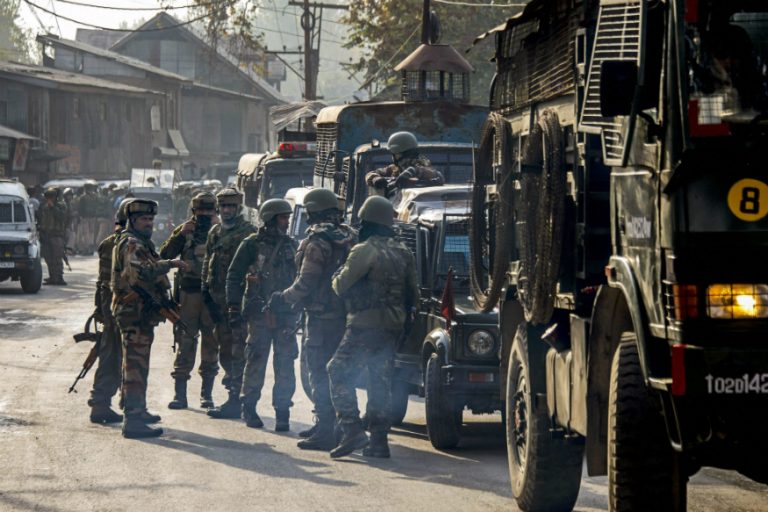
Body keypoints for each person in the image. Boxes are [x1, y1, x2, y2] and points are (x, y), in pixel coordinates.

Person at [327, 196, 419, 459]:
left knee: (337, 371)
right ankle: (379, 442)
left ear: (368, 222)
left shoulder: (364, 250)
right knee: (380, 382)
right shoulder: (403, 251)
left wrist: (336, 274)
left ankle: (352, 429)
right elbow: (414, 294)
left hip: (364, 325)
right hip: (392, 327)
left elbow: (340, 286)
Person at [275, 188, 357, 450]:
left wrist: (283, 298)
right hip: (346, 314)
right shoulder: (350, 236)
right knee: (340, 372)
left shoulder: (317, 242)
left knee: (319, 372)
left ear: (311, 212)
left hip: (321, 317)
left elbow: (306, 282)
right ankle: (334, 426)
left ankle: (325, 431)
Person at [111, 199, 189, 438]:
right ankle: (133, 420)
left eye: (151, 220)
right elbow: (142, 272)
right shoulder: (132, 243)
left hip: (139, 313)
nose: (149, 223)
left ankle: (136, 409)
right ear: (133, 221)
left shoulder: (140, 242)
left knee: (137, 364)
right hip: (133, 313)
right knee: (135, 365)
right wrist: (171, 264)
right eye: (144, 219)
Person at [226, 199, 298, 431]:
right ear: (270, 219)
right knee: (256, 360)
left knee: (285, 363)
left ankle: (283, 412)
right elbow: (234, 275)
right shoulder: (251, 244)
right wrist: (233, 307)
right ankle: (249, 407)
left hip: (285, 314)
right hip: (258, 313)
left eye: (288, 218)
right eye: (283, 218)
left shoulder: (291, 245)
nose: (287, 222)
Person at [160, 192, 219, 410]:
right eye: (200, 212)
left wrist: (219, 229)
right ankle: (180, 395)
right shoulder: (184, 231)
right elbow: (163, 255)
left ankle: (207, 395)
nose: (204, 216)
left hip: (212, 295)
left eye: (209, 211)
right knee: (185, 342)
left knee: (211, 344)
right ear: (193, 212)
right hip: (188, 294)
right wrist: (180, 234)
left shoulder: (221, 231)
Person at [204, 188, 257, 420]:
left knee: (239, 351)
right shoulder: (215, 231)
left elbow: (255, 266)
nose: (227, 211)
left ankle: (239, 399)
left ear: (239, 208)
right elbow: (209, 259)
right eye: (223, 206)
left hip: (238, 303)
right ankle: (233, 392)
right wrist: (206, 288)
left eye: (231, 207)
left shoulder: (248, 233)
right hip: (218, 301)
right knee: (225, 348)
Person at [88, 198, 134, 424]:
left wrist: (100, 309)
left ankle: (104, 403)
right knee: (119, 355)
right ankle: (114, 404)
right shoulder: (128, 243)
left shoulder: (108, 242)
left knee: (112, 352)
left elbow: (101, 282)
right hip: (123, 305)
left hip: (109, 304)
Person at [364, 131, 444, 198]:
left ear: (402, 154)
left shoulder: (423, 167)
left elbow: (438, 176)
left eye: (395, 154)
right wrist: (376, 179)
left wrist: (412, 172)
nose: (393, 157)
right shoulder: (394, 168)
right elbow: (370, 174)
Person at [37, 187, 68, 285]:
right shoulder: (44, 207)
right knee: (48, 257)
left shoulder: (61, 206)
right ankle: (52, 277)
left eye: (52, 196)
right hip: (46, 235)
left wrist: (53, 208)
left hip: (56, 235)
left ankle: (59, 277)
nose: (50, 198)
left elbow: (62, 217)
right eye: (48, 197)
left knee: (57, 257)